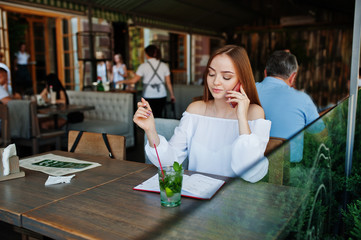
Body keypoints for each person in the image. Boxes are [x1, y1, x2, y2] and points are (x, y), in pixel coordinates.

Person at [134, 45, 271, 183]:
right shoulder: (195, 111)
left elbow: (251, 174)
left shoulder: (254, 113)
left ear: (241, 80)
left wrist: (242, 118)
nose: (216, 82)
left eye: (226, 77)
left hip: (234, 199)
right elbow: (169, 163)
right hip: (197, 196)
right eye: (211, 74)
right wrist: (150, 130)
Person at [256, 50, 321, 162]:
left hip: (250, 169)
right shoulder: (303, 99)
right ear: (293, 77)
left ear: (265, 72)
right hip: (291, 172)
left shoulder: (247, 91)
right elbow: (321, 136)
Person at [119, 45, 175, 118]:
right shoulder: (164, 66)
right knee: (159, 115)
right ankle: (159, 128)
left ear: (146, 54)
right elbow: (168, 83)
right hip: (161, 94)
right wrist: (172, 95)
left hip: (148, 94)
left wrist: (122, 81)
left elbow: (133, 80)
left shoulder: (143, 66)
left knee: (148, 117)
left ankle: (149, 129)